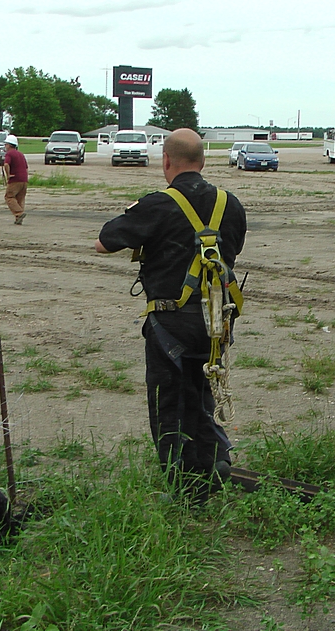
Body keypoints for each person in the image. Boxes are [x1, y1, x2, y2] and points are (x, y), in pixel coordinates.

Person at [94, 128, 246, 501]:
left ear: (166, 161)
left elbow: (103, 242)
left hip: (170, 323)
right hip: (216, 322)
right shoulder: (231, 204)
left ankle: (184, 490)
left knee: (168, 405)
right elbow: (233, 252)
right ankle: (213, 462)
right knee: (202, 395)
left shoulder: (157, 205)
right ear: (203, 161)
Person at [2, 135, 28, 225]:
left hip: (15, 179)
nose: (5, 146)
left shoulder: (9, 154)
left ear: (9, 145)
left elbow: (6, 164)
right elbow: (26, 168)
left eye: (6, 144)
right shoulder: (21, 154)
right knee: (20, 199)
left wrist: (8, 175)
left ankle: (19, 213)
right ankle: (18, 219)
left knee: (9, 197)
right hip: (24, 180)